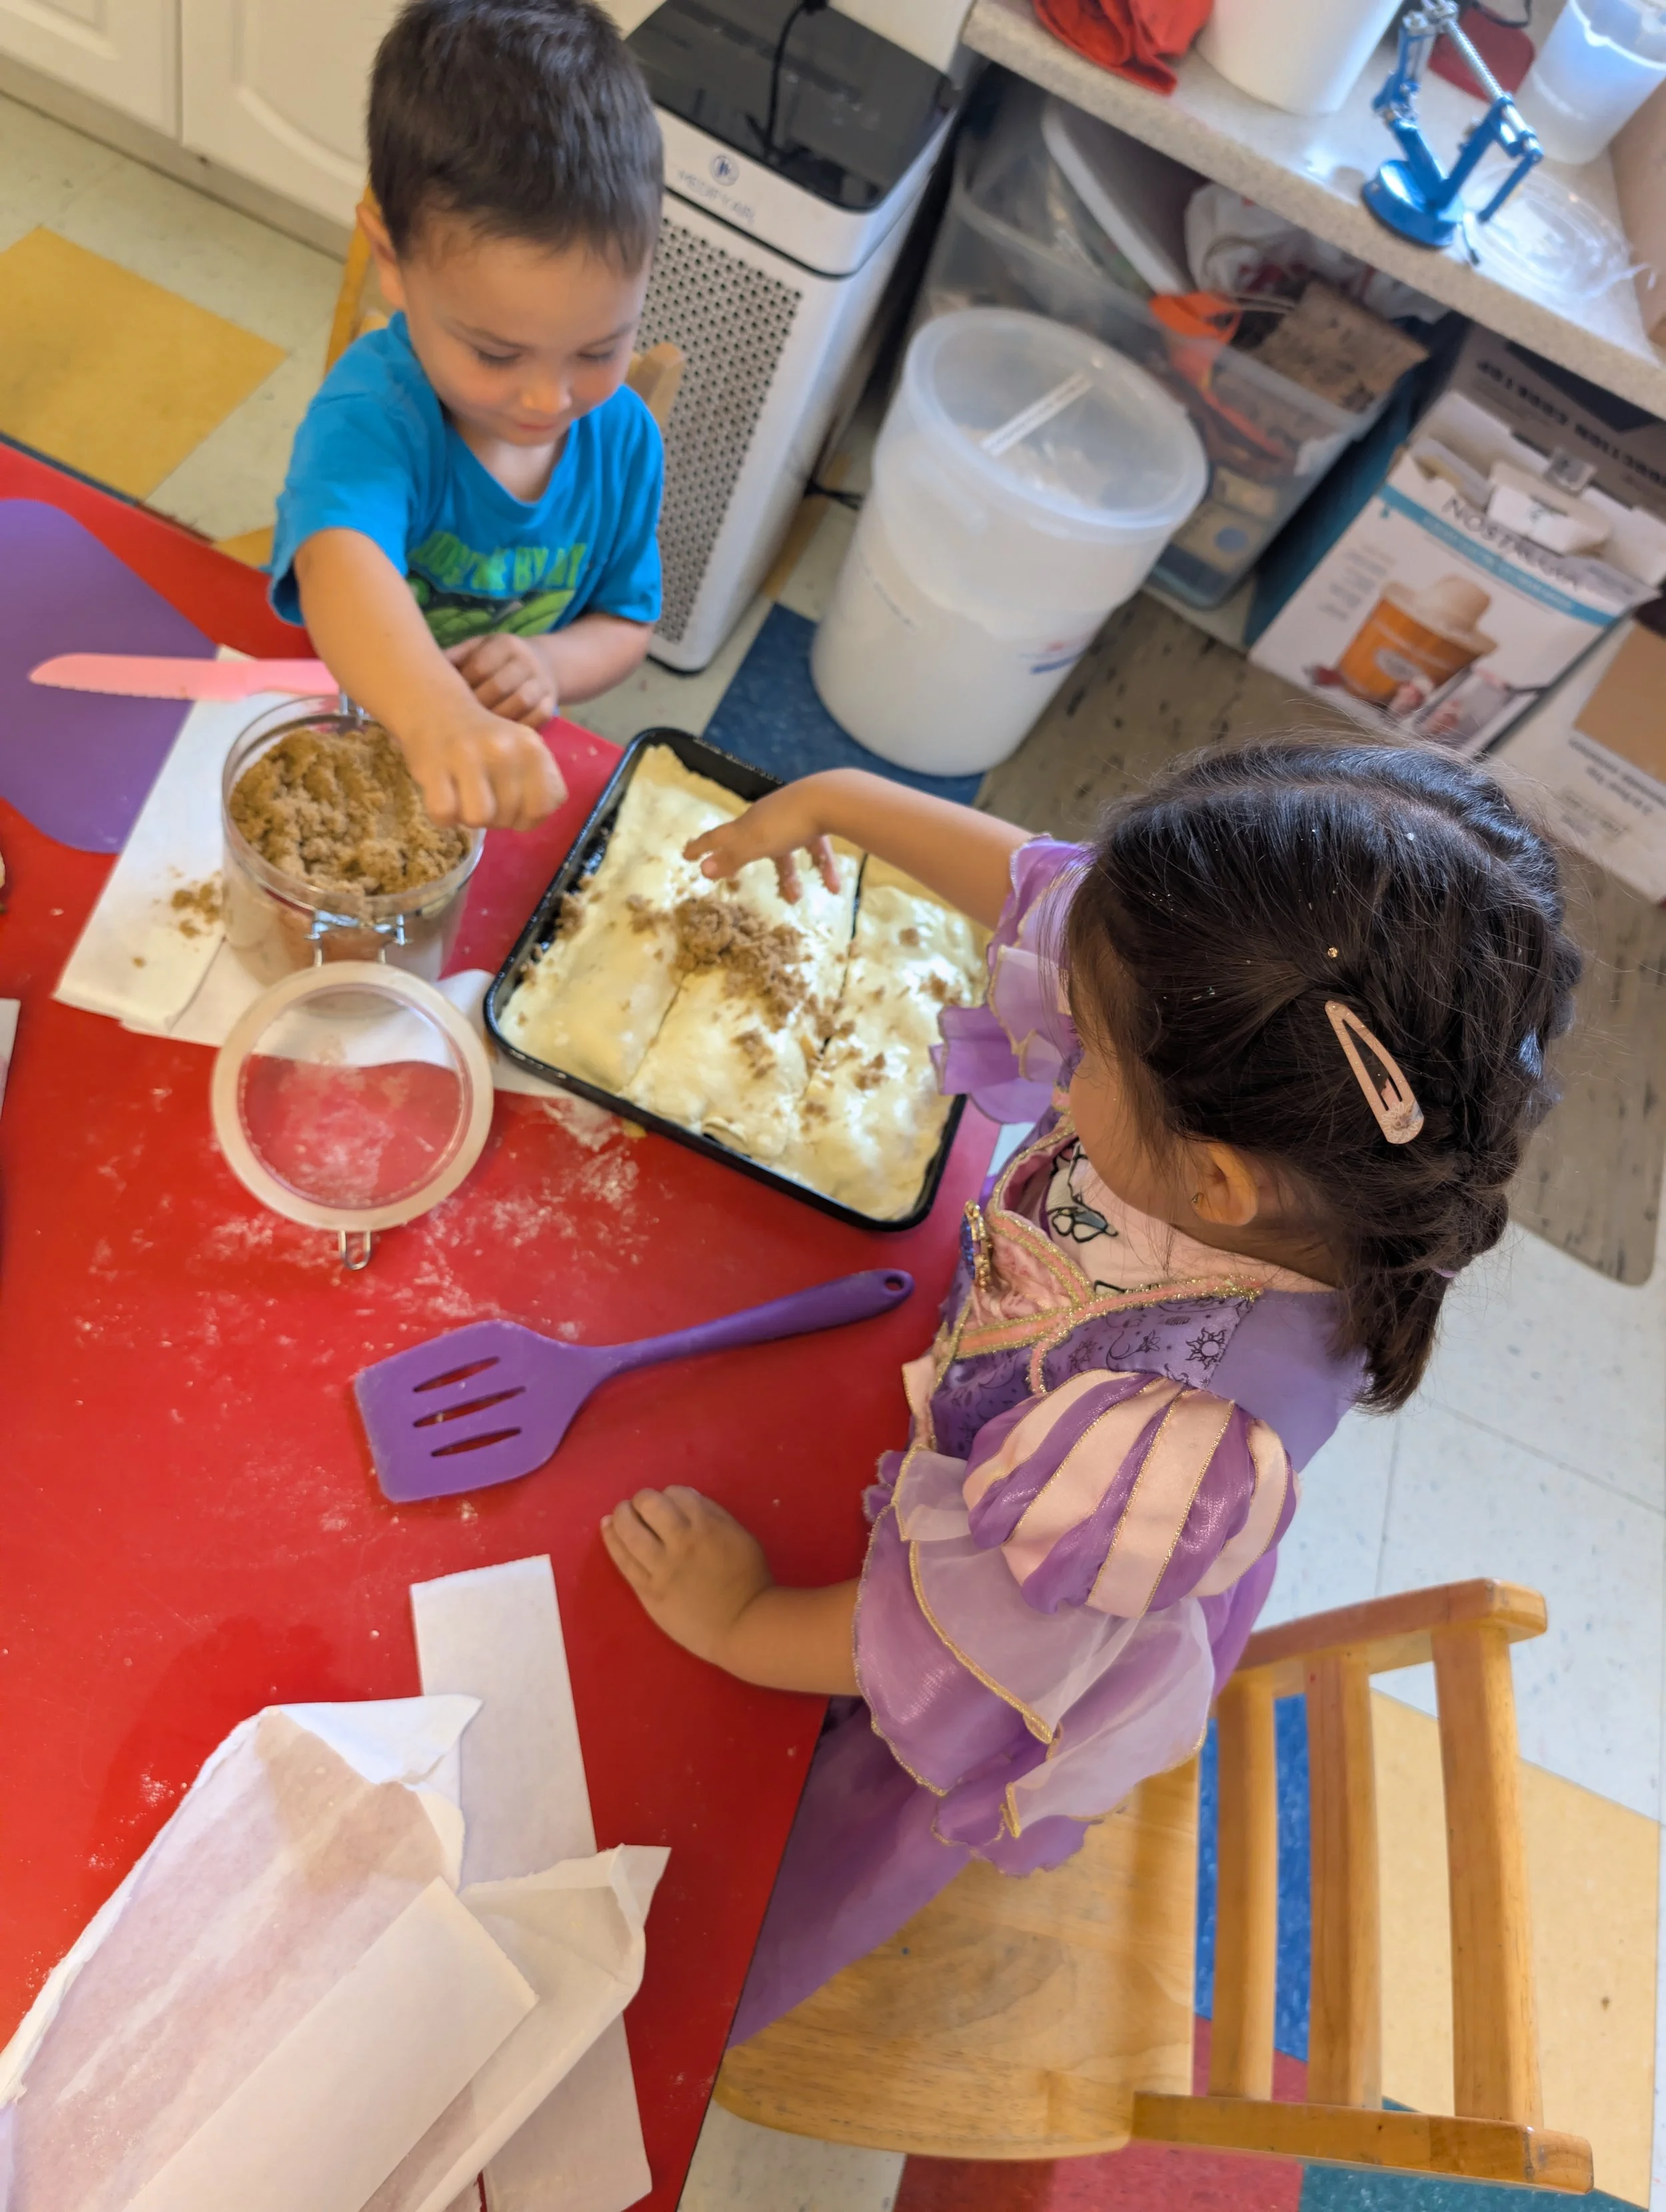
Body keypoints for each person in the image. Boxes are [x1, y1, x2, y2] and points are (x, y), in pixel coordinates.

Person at [600, 739, 1581, 2041]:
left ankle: (674, 2011)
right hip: (1015, 1453)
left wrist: (739, 1622)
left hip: (1027, 1603)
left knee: (746, 1877)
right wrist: (836, 797)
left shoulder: (1162, 1443)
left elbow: (959, 1642)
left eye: (1086, 1049)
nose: (1056, 1037)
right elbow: (1046, 896)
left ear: (1216, 1182)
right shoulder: (1277, 1133)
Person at [269, 0, 665, 832]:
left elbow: (627, 621)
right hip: (349, 719)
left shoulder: (624, 440)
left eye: (598, 350)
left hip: (488, 759)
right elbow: (339, 564)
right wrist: (437, 711)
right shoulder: (374, 411)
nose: (546, 401)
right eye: (495, 353)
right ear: (394, 264)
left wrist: (549, 662)